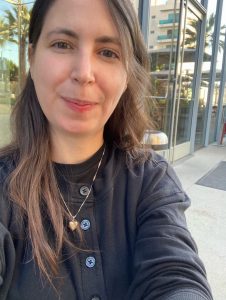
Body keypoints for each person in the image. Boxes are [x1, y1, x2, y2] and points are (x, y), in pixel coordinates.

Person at [0, 0, 213, 299]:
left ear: (127, 76)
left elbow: (176, 277)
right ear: (32, 59)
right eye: (62, 44)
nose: (84, 72)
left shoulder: (149, 179)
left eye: (108, 52)